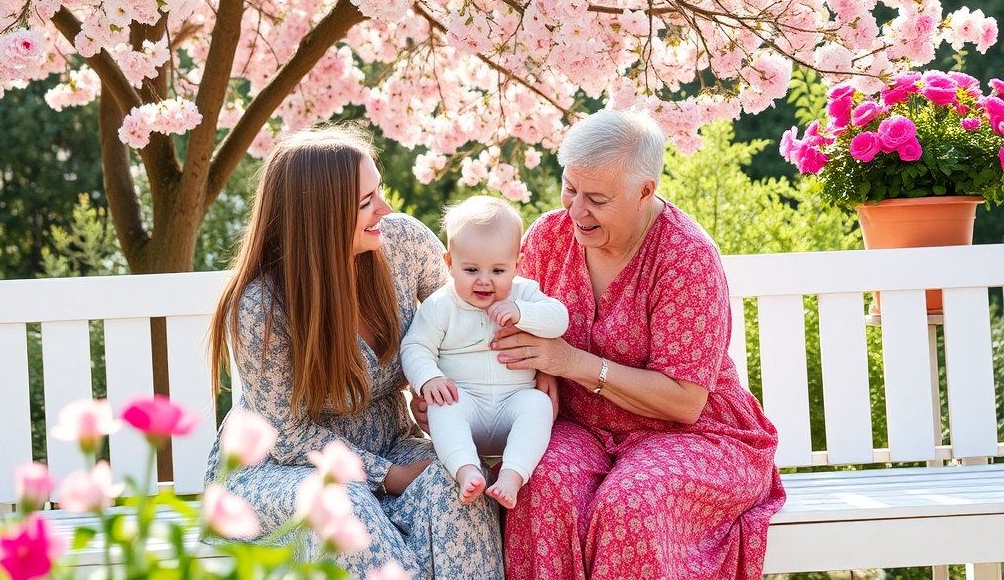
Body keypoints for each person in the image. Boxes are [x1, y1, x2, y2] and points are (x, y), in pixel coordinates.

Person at [491, 110, 786, 580]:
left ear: (645, 191)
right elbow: (515, 333)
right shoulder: (548, 236)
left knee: (632, 504)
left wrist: (571, 362)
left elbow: (686, 402)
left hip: (692, 434)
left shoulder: (686, 256)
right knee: (540, 484)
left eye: (597, 199)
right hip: (578, 423)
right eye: (570, 188)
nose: (575, 211)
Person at [205, 126, 504, 580]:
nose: (384, 207)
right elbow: (286, 437)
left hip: (392, 439)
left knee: (462, 484)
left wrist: (441, 385)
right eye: (366, 201)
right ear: (319, 216)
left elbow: (466, 323)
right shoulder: (262, 307)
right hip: (279, 469)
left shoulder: (402, 244)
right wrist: (389, 476)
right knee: (343, 502)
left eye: (377, 190)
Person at [400, 196, 568, 509]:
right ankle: (467, 470)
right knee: (443, 408)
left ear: (517, 265)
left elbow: (559, 319)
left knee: (538, 404)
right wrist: (429, 378)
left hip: (512, 405)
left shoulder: (524, 294)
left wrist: (522, 312)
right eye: (472, 269)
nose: (484, 280)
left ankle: (512, 476)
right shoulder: (441, 305)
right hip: (465, 403)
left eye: (498, 270)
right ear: (449, 264)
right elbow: (415, 346)